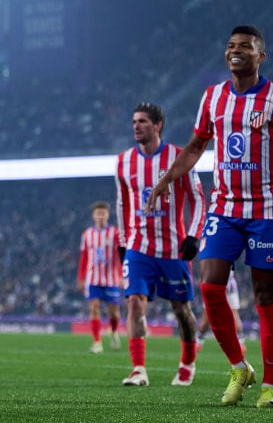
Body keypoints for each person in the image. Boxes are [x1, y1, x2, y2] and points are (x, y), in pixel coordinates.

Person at [146, 25, 273, 409]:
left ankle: (270, 386)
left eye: (245, 47)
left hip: (266, 208)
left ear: (261, 56)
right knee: (210, 287)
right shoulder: (213, 97)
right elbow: (196, 145)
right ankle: (240, 367)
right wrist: (167, 178)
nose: (235, 51)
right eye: (231, 46)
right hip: (224, 208)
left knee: (266, 297)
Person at [115, 102, 205, 387]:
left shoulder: (178, 156)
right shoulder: (123, 162)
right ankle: (138, 369)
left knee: (181, 309)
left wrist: (194, 235)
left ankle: (188, 363)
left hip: (173, 248)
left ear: (157, 125)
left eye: (142, 121)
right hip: (139, 246)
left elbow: (198, 198)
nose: (136, 126)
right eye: (134, 122)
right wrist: (122, 241)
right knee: (134, 303)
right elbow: (122, 204)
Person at [76, 201, 122, 354]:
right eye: (98, 213)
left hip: (111, 279)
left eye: (103, 213)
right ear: (93, 216)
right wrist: (81, 278)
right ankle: (97, 342)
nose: (101, 216)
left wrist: (121, 274)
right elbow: (84, 257)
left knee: (113, 313)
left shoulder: (115, 233)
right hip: (93, 279)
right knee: (94, 308)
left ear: (108, 215)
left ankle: (114, 332)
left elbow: (122, 255)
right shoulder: (87, 234)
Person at [197, 270, 245, 353]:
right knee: (233, 314)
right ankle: (241, 343)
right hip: (224, 283)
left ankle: (198, 342)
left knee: (208, 314)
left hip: (216, 282)